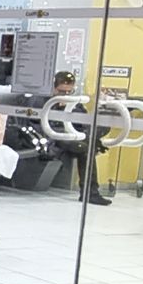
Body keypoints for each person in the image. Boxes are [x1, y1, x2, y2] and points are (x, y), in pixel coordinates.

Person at [48, 71, 114, 206]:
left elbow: (83, 118)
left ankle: (91, 140)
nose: (65, 96)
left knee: (99, 131)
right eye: (61, 92)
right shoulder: (44, 101)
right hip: (57, 134)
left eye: (69, 92)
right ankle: (91, 193)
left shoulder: (74, 103)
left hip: (75, 133)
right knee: (87, 149)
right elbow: (43, 123)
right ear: (53, 88)